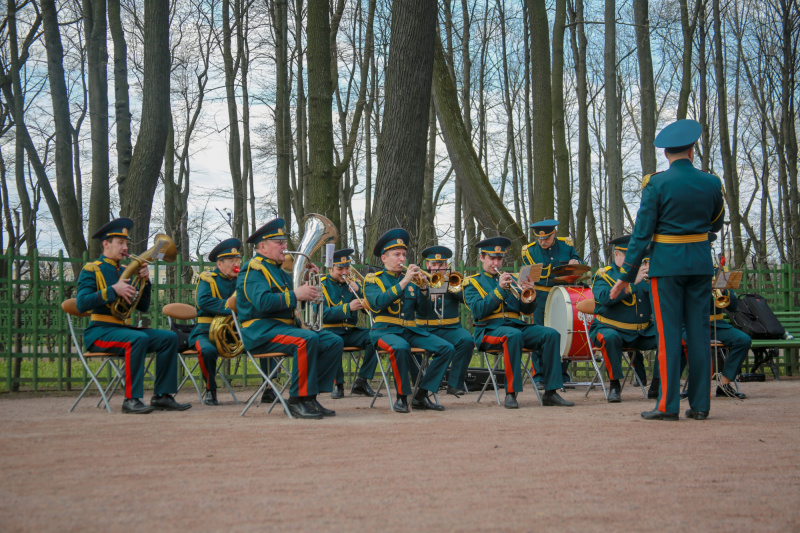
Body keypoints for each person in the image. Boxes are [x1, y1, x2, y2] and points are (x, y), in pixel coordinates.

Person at [610, 119, 725, 421]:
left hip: (667, 267)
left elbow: (641, 235)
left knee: (668, 336)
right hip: (700, 264)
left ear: (665, 154)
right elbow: (715, 223)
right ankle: (700, 405)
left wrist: (624, 277)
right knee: (700, 335)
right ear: (692, 150)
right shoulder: (712, 182)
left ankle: (667, 405)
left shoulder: (656, 184)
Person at [76, 218, 191, 414]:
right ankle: (131, 400)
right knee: (136, 339)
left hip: (122, 330)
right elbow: (81, 304)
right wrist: (113, 290)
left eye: (126, 243)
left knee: (169, 337)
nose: (125, 247)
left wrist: (146, 282)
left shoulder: (125, 270)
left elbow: (143, 307)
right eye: (120, 243)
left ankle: (162, 396)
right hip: (99, 332)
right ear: (106, 244)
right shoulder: (92, 269)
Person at [236, 218, 342, 420]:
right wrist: (296, 295)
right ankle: (296, 400)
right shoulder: (253, 269)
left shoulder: (280, 271)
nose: (285, 247)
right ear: (263, 246)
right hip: (260, 332)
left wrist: (307, 279)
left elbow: (294, 294)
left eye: (284, 242)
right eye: (279, 243)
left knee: (333, 341)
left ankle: (309, 396)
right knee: (306, 339)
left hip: (283, 329)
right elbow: (263, 303)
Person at [463, 237, 573, 408]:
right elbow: (479, 310)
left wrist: (529, 293)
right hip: (489, 330)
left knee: (550, 334)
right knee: (513, 335)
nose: (496, 263)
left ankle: (551, 392)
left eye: (499, 259)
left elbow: (527, 311)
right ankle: (511, 393)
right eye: (492, 258)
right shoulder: (472, 283)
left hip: (516, 326)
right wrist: (499, 289)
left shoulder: (513, 280)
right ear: (482, 258)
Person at [364, 229, 455, 413]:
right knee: (400, 347)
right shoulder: (373, 280)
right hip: (384, 331)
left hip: (411, 331)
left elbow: (425, 312)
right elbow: (377, 303)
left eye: (403, 255)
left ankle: (421, 395)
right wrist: (404, 282)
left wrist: (423, 290)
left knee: (447, 348)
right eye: (396, 255)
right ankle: (401, 397)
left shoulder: (413, 283)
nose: (401, 259)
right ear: (384, 258)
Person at [589, 236, 656, 402]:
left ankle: (657, 384)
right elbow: (605, 298)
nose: (634, 260)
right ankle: (614, 385)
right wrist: (633, 283)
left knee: (671, 335)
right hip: (610, 328)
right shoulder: (604, 275)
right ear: (617, 255)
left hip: (641, 331)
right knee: (610, 338)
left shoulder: (646, 273)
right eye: (629, 255)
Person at [522, 219, 583, 383]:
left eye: (546, 238)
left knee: (564, 332)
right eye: (539, 239)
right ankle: (539, 375)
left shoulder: (566, 246)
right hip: (541, 297)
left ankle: (562, 374)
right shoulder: (529, 251)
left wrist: (576, 262)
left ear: (554, 234)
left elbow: (579, 264)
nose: (542, 242)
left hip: (563, 295)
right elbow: (525, 278)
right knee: (539, 334)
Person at [320, 248, 383, 399]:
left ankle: (362, 381)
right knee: (334, 342)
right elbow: (322, 314)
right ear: (330, 268)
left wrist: (360, 291)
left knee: (375, 336)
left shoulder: (354, 283)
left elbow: (369, 310)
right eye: (339, 269)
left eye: (347, 268)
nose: (344, 272)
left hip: (350, 330)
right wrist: (348, 308)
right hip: (330, 331)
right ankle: (338, 384)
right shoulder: (321, 285)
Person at [414, 246, 475, 396]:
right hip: (425, 328)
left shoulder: (452, 281)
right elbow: (415, 307)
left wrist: (456, 287)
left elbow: (466, 300)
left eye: (440, 265)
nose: (436, 268)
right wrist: (427, 294)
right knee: (410, 341)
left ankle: (455, 384)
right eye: (433, 265)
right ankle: (420, 382)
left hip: (451, 328)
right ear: (427, 265)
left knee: (467, 340)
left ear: (446, 266)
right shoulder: (418, 281)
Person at [188, 238, 241, 406]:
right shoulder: (208, 278)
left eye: (238, 260)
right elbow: (203, 301)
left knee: (266, 339)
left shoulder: (242, 280)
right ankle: (210, 389)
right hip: (206, 330)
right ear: (220, 264)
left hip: (234, 333)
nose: (236, 264)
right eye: (231, 261)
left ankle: (269, 389)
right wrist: (231, 307)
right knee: (207, 351)